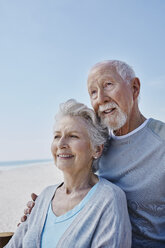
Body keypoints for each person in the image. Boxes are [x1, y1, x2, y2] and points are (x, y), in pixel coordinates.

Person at [23, 60, 165, 248]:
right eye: (93, 92)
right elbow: (80, 191)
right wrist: (42, 213)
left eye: (108, 85)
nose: (101, 99)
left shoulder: (161, 141)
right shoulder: (95, 145)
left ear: (134, 88)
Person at [6, 99, 131, 248]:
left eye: (73, 136)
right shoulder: (44, 196)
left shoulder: (109, 199)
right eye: (57, 136)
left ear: (96, 149)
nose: (61, 144)